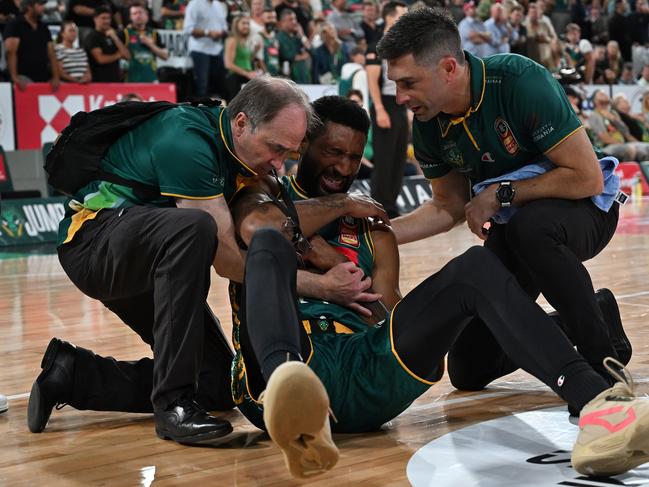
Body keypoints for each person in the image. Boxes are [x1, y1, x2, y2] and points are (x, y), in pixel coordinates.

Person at [228, 95, 649, 480]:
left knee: (475, 267)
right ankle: (292, 395)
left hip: (363, 366)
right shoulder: (263, 193)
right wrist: (324, 279)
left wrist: (344, 269)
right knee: (267, 243)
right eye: (333, 152)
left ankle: (598, 403)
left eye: (355, 157)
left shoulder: (373, 227)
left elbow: (390, 317)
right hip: (287, 362)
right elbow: (257, 229)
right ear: (304, 147)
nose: (344, 167)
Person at [26, 77, 359, 447]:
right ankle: (173, 406)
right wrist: (324, 288)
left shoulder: (236, 147)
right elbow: (228, 262)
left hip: (146, 256)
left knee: (216, 385)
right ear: (242, 122)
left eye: (289, 154)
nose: (280, 165)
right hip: (93, 243)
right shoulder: (187, 142)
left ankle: (73, 374)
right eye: (275, 148)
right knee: (195, 228)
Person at [376, 8, 632, 399]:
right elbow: (448, 206)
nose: (400, 97)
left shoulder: (519, 80)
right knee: (468, 367)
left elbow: (587, 178)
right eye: (395, 84)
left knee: (532, 228)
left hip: (586, 208)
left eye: (409, 82)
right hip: (517, 228)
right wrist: (377, 235)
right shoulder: (428, 123)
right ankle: (594, 319)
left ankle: (602, 364)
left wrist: (500, 194)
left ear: (448, 68)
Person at [366, 0, 407, 219]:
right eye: (403, 14)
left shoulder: (401, 46)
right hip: (384, 102)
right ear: (390, 17)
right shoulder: (376, 45)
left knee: (398, 157)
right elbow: (372, 81)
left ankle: (390, 204)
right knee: (384, 158)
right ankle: (377, 206)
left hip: (400, 103)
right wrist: (380, 109)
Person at [4, 0, 60, 91]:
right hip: (23, 75)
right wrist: (14, 77)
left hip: (44, 76)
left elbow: (51, 54)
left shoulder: (43, 27)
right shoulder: (15, 24)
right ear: (29, 7)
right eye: (40, 4)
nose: (43, 8)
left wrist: (56, 77)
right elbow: (11, 52)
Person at [183, 0, 228, 98]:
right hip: (199, 49)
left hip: (216, 49)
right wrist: (208, 33)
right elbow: (188, 29)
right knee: (202, 85)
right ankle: (201, 111)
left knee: (220, 85)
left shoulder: (219, 5)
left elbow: (224, 27)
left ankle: (217, 110)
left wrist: (222, 33)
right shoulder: (194, 4)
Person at [121, 3, 168, 82]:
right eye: (134, 13)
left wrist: (150, 45)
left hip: (151, 78)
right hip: (131, 79)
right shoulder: (124, 33)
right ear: (130, 17)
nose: (138, 16)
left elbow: (165, 56)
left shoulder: (154, 33)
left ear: (146, 15)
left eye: (140, 12)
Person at [84, 5, 130, 82]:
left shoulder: (113, 35)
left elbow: (127, 56)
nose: (107, 21)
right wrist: (117, 55)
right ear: (95, 19)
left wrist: (115, 38)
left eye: (108, 18)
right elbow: (100, 59)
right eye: (103, 18)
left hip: (116, 81)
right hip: (99, 82)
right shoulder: (92, 36)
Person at [223, 15, 257, 102]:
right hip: (235, 78)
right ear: (236, 25)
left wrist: (256, 50)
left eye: (248, 24)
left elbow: (246, 61)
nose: (246, 26)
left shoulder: (246, 41)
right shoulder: (232, 40)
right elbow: (228, 64)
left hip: (246, 78)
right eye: (243, 23)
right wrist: (246, 73)